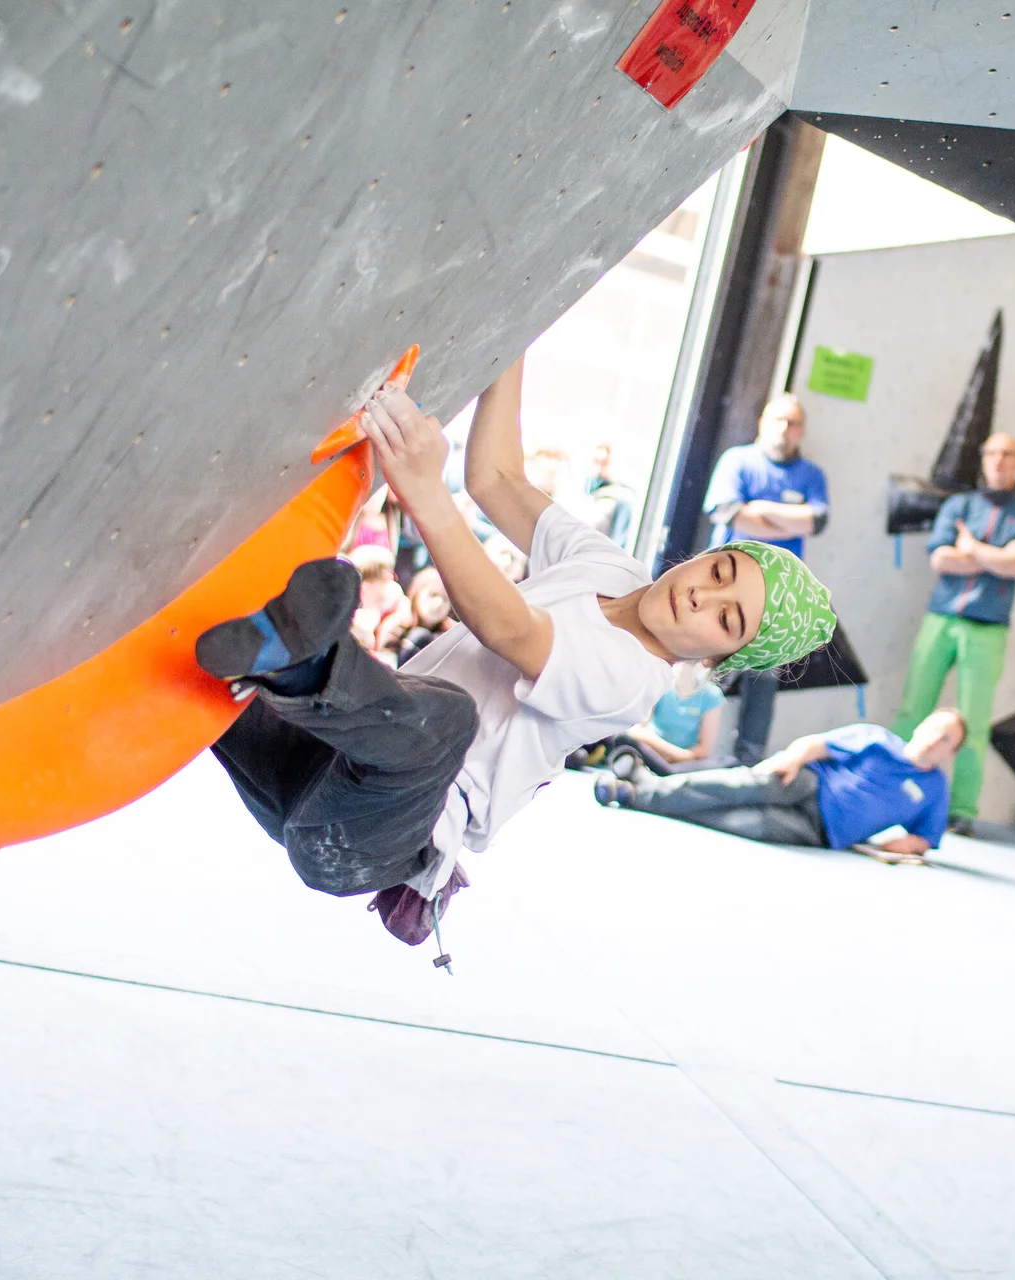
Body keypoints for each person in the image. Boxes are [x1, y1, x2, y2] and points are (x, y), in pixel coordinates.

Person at [194, 356, 836, 945]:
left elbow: (509, 628)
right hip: (304, 770)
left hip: (367, 837)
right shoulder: (611, 566)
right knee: (200, 658)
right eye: (720, 572)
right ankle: (267, 656)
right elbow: (496, 477)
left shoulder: (631, 680)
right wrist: (520, 327)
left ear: (718, 660)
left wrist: (422, 488)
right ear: (708, 554)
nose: (703, 597)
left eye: (728, 621)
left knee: (446, 719)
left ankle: (301, 662)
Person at [894, 433, 1015, 836]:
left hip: (988, 628)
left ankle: (960, 809)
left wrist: (972, 548)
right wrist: (994, 556)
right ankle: (892, 783)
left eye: (1008, 454)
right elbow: (942, 559)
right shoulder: (958, 505)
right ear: (982, 459)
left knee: (974, 721)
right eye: (992, 453)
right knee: (914, 707)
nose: (999, 461)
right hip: (940, 618)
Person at [596, 711, 965, 860]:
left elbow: (924, 839)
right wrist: (790, 759)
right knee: (734, 787)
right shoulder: (876, 738)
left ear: (951, 752)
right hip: (805, 783)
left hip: (819, 831)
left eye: (946, 739)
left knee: (740, 822)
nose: (935, 739)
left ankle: (643, 783)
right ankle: (635, 793)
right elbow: (816, 745)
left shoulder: (934, 790)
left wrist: (889, 847)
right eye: (935, 728)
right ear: (921, 726)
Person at [703, 394, 830, 765]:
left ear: (801, 431)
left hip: (778, 598)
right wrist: (790, 518)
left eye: (792, 423)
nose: (783, 430)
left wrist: (759, 510)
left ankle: (746, 762)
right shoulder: (737, 460)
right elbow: (730, 515)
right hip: (722, 589)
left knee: (764, 680)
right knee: (703, 667)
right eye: (777, 420)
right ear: (762, 422)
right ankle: (678, 746)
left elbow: (817, 522)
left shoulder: (812, 475)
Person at [611, 682, 730, 775]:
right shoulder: (661, 685)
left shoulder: (711, 694)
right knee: (622, 739)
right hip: (650, 755)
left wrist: (673, 757)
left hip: (684, 764)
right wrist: (663, 753)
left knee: (727, 763)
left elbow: (703, 751)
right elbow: (635, 731)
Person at [581, 442, 639, 549]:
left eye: (604, 463)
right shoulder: (585, 494)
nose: (598, 468)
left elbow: (618, 541)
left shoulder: (621, 498)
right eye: (595, 462)